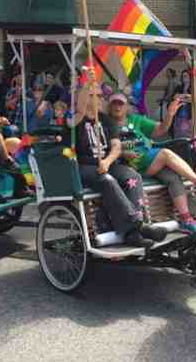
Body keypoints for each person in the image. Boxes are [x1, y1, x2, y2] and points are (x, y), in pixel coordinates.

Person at [72, 71, 168, 247]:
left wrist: (107, 161)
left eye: (100, 96)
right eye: (94, 95)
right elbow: (79, 108)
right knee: (107, 180)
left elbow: (116, 146)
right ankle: (139, 225)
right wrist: (87, 85)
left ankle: (132, 235)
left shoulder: (106, 120)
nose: (99, 99)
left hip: (106, 163)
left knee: (132, 176)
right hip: (85, 166)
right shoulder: (76, 119)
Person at [107, 92, 196, 233]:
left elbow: (161, 129)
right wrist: (122, 153)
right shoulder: (106, 124)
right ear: (109, 106)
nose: (117, 107)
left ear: (127, 106)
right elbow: (104, 148)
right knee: (165, 154)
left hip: (149, 160)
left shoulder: (135, 119)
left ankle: (186, 219)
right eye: (114, 104)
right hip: (129, 166)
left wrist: (170, 114)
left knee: (172, 177)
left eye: (120, 104)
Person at [172, 69, 193, 138]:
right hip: (178, 114)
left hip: (189, 116)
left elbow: (193, 99)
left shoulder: (193, 88)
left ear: (190, 77)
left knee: (187, 135)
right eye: (183, 76)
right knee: (178, 134)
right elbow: (175, 97)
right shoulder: (179, 87)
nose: (184, 78)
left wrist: (181, 98)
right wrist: (186, 96)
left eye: (186, 76)